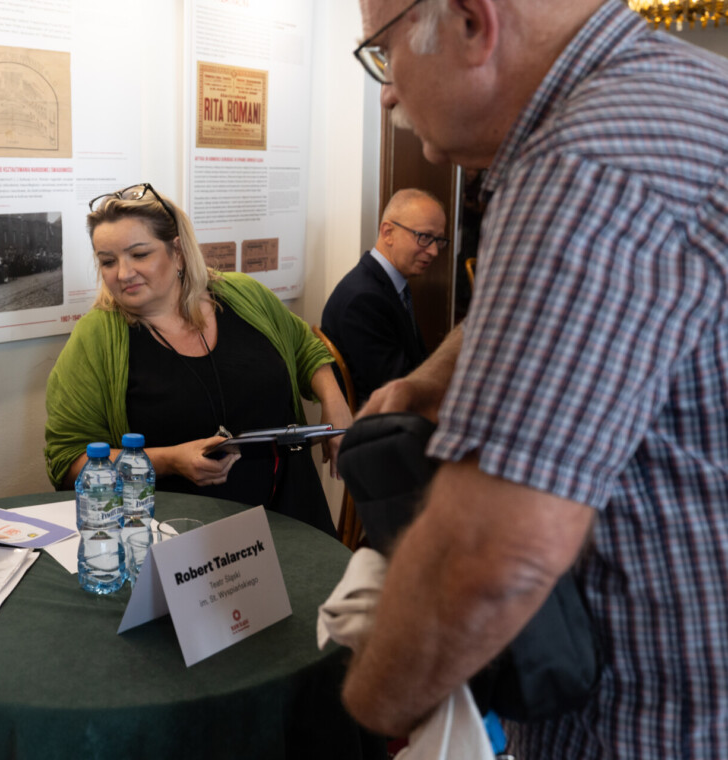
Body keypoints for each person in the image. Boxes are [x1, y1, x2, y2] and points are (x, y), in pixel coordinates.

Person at [339, 1, 728, 758]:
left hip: (655, 721)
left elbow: (491, 556)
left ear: (471, 24)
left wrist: (365, 707)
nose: (386, 93)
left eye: (384, 53)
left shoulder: (584, 164)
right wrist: (433, 377)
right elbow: (552, 305)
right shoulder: (677, 90)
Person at [44, 183, 352, 535]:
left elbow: (304, 346)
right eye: (108, 261)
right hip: (180, 538)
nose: (123, 273)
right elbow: (69, 460)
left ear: (177, 252)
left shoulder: (243, 295)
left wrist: (334, 401)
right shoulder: (97, 337)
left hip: (293, 513)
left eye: (139, 254)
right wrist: (168, 461)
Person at [320, 188, 446, 403]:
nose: (434, 251)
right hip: (382, 418)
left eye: (438, 240)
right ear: (388, 232)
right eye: (424, 237)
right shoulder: (363, 299)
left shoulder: (387, 284)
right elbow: (394, 387)